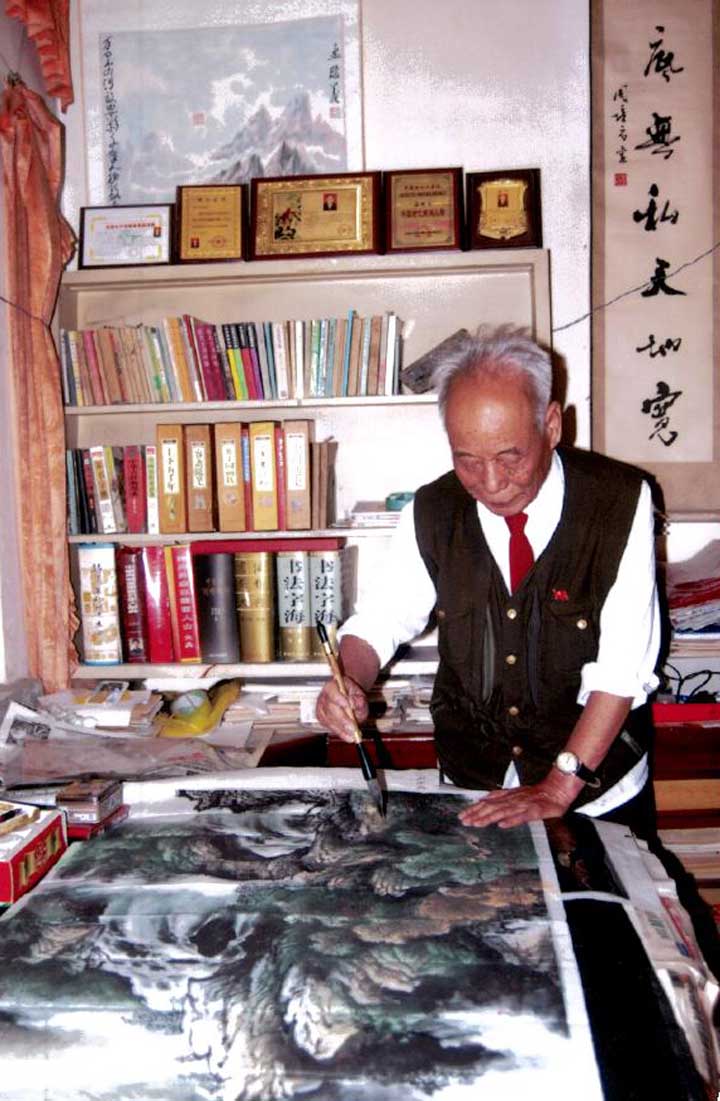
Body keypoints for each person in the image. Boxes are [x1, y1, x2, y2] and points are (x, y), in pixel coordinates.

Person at [316, 323, 662, 838]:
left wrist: (557, 787)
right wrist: (349, 679)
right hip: (473, 783)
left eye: (509, 457)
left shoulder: (617, 501)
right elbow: (382, 618)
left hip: (592, 790)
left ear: (551, 425)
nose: (492, 483)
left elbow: (621, 671)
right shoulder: (433, 510)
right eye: (468, 461)